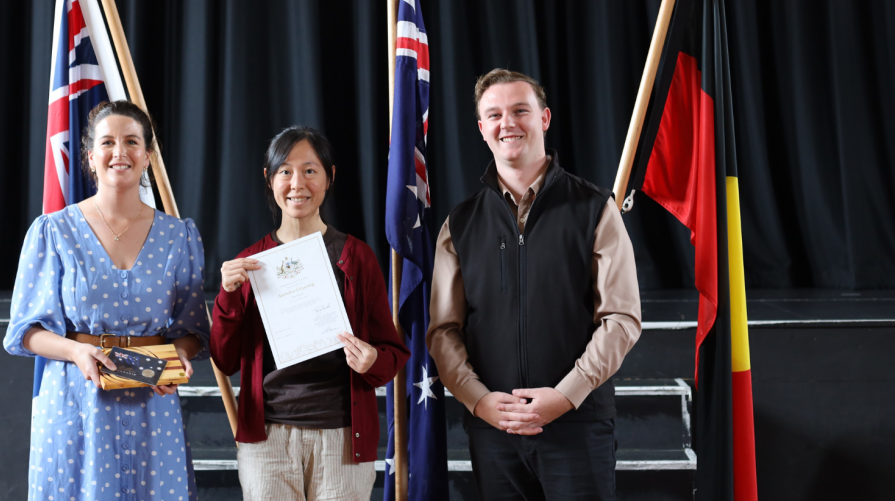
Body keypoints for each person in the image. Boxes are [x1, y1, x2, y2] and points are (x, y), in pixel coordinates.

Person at [426, 69, 642, 500]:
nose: (508, 123)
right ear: (482, 127)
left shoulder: (595, 208)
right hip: (494, 430)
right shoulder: (461, 223)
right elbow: (443, 330)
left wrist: (565, 395)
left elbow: (621, 319)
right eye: (494, 114)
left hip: (577, 424)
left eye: (520, 110)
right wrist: (480, 401)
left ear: (543, 118)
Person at [3, 100, 210, 501]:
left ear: (147, 156)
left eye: (132, 142)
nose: (120, 152)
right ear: (90, 155)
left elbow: (192, 331)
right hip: (76, 401)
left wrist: (179, 359)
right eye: (108, 142)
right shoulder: (53, 231)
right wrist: (78, 353)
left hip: (153, 405)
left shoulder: (178, 236)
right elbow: (24, 332)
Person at [210, 126, 409, 501]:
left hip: (342, 436)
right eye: (284, 171)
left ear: (330, 177)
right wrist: (228, 296)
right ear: (269, 180)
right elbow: (223, 359)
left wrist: (371, 361)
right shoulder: (249, 264)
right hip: (267, 437)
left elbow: (392, 354)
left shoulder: (357, 257)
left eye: (310, 170)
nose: (297, 182)